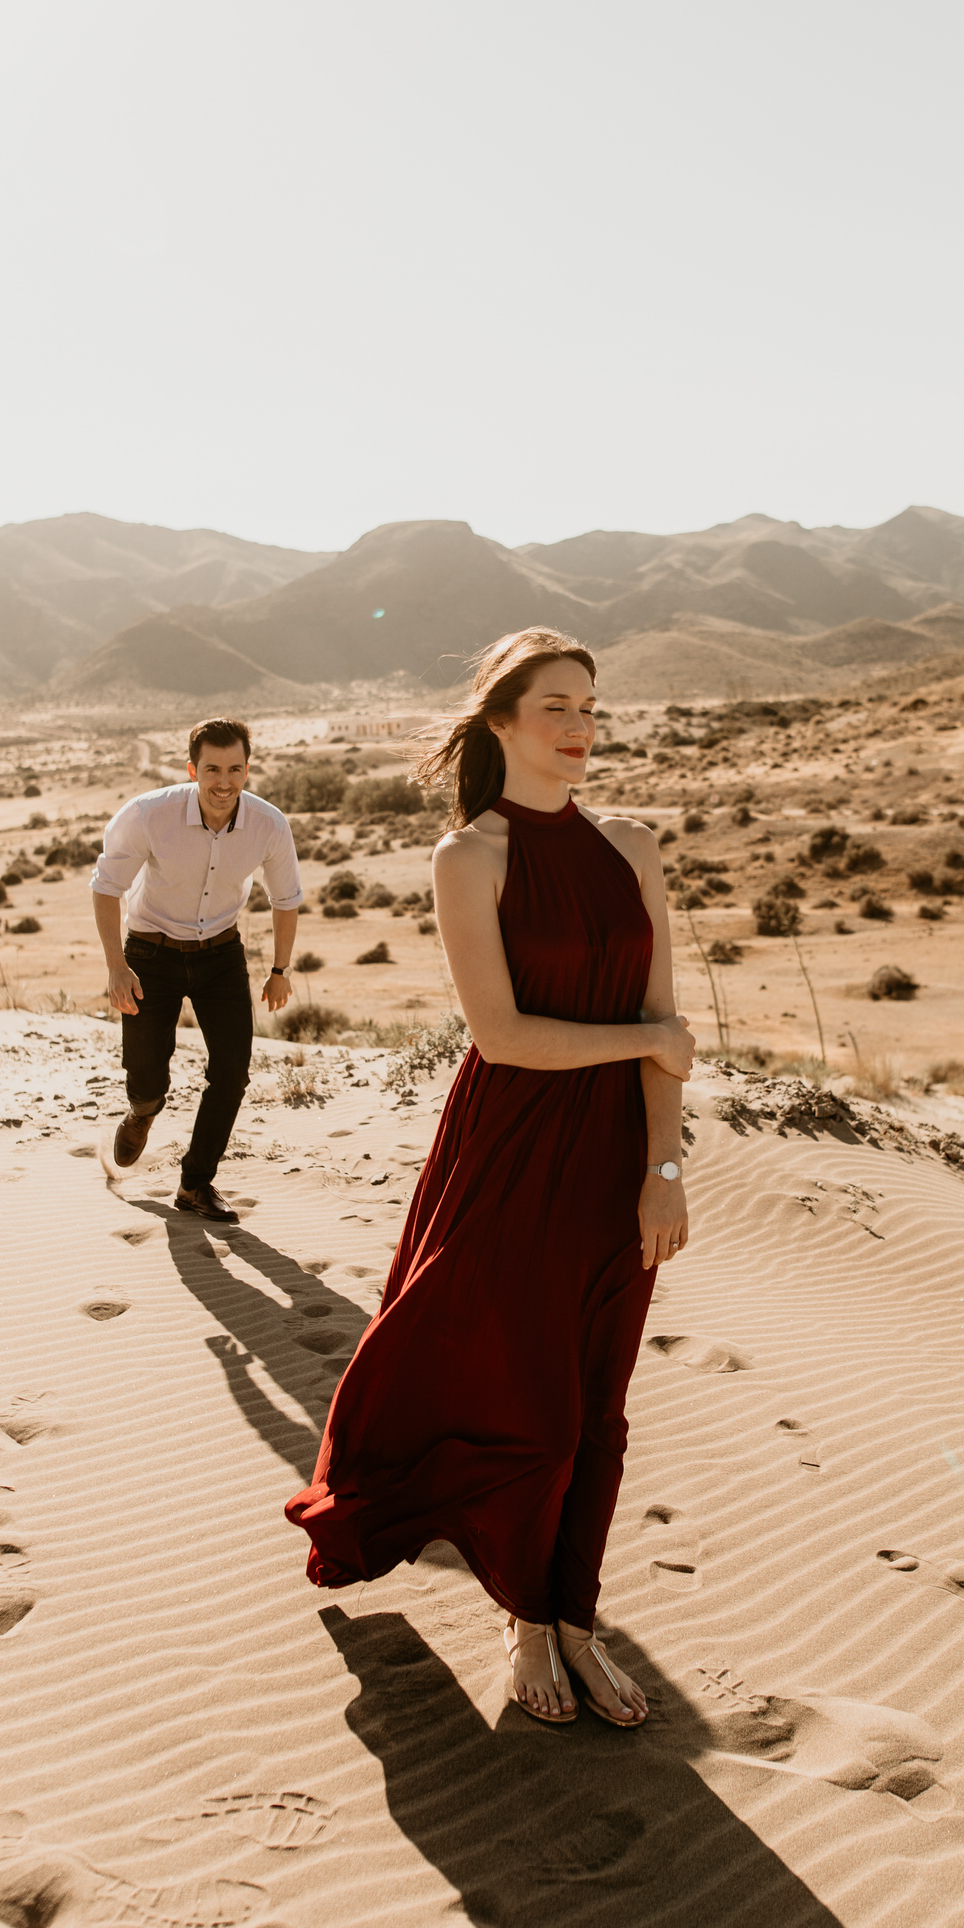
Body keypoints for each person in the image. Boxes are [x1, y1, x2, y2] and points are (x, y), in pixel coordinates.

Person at [286, 630, 695, 1731]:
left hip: (617, 1160)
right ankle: (524, 1618)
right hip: (512, 1153)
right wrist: (651, 1037)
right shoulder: (471, 858)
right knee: (534, 1411)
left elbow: (667, 1044)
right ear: (501, 719)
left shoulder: (633, 846)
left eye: (592, 710)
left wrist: (663, 1166)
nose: (579, 730)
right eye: (556, 706)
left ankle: (574, 1618)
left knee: (599, 1409)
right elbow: (507, 1038)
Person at [90, 716, 302, 1223]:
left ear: (248, 770)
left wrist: (279, 969)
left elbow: (286, 898)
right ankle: (142, 1111)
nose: (223, 782)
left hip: (221, 956)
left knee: (232, 1074)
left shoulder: (269, 824)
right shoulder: (147, 815)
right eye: (212, 769)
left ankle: (195, 1184)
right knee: (146, 1075)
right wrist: (116, 967)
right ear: (193, 769)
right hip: (149, 955)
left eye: (234, 769)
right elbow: (106, 887)